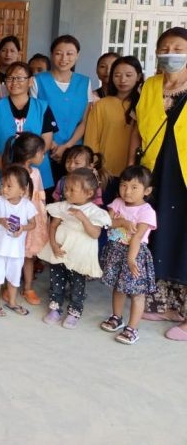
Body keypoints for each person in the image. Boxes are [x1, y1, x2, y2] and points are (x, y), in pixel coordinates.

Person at [128, 27, 187, 339]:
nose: (170, 53)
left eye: (178, 47)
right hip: (155, 169)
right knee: (158, 235)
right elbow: (138, 130)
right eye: (165, 47)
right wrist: (131, 169)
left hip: (185, 173)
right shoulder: (150, 85)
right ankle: (167, 305)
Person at [38, 169, 111, 328]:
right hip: (60, 251)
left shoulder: (94, 212)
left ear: (88, 193)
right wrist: (53, 245)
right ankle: (55, 308)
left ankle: (74, 312)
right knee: (56, 280)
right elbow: (53, 226)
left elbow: (95, 234)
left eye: (72, 189)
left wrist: (83, 218)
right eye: (66, 188)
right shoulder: (62, 206)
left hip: (80, 255)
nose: (67, 192)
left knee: (78, 284)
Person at [100, 165, 157, 345]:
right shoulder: (117, 202)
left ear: (146, 191)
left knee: (137, 293)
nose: (127, 191)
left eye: (134, 187)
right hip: (117, 251)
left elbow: (138, 237)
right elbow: (107, 222)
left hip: (135, 254)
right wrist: (122, 222)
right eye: (124, 185)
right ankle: (117, 317)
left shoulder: (146, 211)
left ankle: (132, 328)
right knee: (119, 286)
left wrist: (131, 259)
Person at [0, 62, 56, 191]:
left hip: (35, 172)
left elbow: (47, 142)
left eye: (20, 78)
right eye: (10, 78)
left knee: (36, 209)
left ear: (31, 81)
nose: (14, 82)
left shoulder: (43, 107)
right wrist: (5, 168)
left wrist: (27, 167)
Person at [31, 35, 93, 180]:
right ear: (52, 55)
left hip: (75, 153)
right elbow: (35, 117)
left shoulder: (85, 82)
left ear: (77, 55)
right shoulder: (38, 80)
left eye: (70, 53)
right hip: (45, 148)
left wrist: (67, 146)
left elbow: (84, 121)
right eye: (59, 53)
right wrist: (51, 144)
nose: (64, 58)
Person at [0, 164, 38, 317]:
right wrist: (0, 221)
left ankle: (12, 302)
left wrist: (22, 228)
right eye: (2, 185)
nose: (4, 189)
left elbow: (33, 224)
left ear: (22, 190)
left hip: (16, 251)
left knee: (14, 278)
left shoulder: (27, 205)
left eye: (9, 186)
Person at [5, 132, 49, 306]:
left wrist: (42, 213)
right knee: (12, 255)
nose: (43, 156)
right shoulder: (14, 173)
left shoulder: (36, 172)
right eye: (42, 153)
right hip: (16, 219)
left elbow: (40, 194)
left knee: (28, 256)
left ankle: (28, 287)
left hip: (32, 220)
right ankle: (9, 288)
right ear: (31, 154)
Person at [84, 56, 144, 178]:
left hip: (135, 174)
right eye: (117, 75)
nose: (122, 80)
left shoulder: (143, 105)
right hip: (105, 172)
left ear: (138, 77)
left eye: (128, 75)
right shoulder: (102, 104)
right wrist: (95, 166)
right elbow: (91, 140)